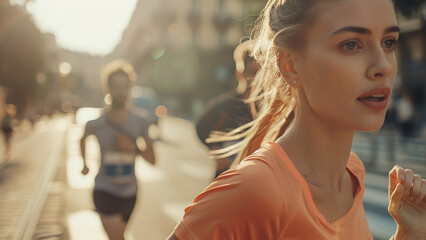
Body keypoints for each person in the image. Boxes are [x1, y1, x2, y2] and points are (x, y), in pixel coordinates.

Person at [167, 0, 426, 239]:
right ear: (291, 65)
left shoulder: (351, 172)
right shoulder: (256, 190)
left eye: (389, 42)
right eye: (351, 44)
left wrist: (407, 234)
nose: (384, 66)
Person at [80, 59, 156, 240]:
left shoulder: (141, 120)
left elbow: (153, 160)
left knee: (119, 236)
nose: (120, 91)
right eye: (115, 86)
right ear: (107, 88)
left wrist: (133, 149)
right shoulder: (96, 123)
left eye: (124, 86)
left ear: (130, 88)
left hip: (130, 194)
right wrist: (84, 164)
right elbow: (82, 138)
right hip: (104, 190)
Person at [195, 40, 259, 179]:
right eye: (253, 72)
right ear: (239, 74)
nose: (257, 78)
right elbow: (201, 128)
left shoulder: (268, 108)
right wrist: (216, 150)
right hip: (225, 179)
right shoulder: (223, 106)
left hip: (257, 183)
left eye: (260, 72)